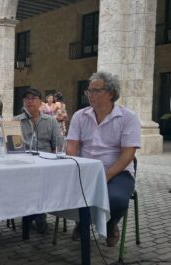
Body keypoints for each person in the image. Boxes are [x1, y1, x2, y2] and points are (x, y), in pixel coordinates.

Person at [66, 71, 141, 247]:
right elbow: (72, 146)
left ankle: (109, 223)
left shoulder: (128, 117)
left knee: (115, 199)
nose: (90, 95)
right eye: (89, 91)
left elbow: (128, 154)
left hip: (117, 172)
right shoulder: (80, 116)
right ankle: (83, 220)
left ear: (111, 93)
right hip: (84, 169)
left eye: (95, 91)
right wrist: (73, 167)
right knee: (60, 191)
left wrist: (105, 176)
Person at [13, 88, 61, 234]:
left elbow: (57, 146)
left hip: (46, 165)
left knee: (43, 181)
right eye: (27, 98)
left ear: (41, 101)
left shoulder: (51, 121)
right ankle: (36, 215)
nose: (30, 101)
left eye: (33, 98)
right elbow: (12, 148)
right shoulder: (15, 121)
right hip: (24, 165)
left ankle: (34, 214)